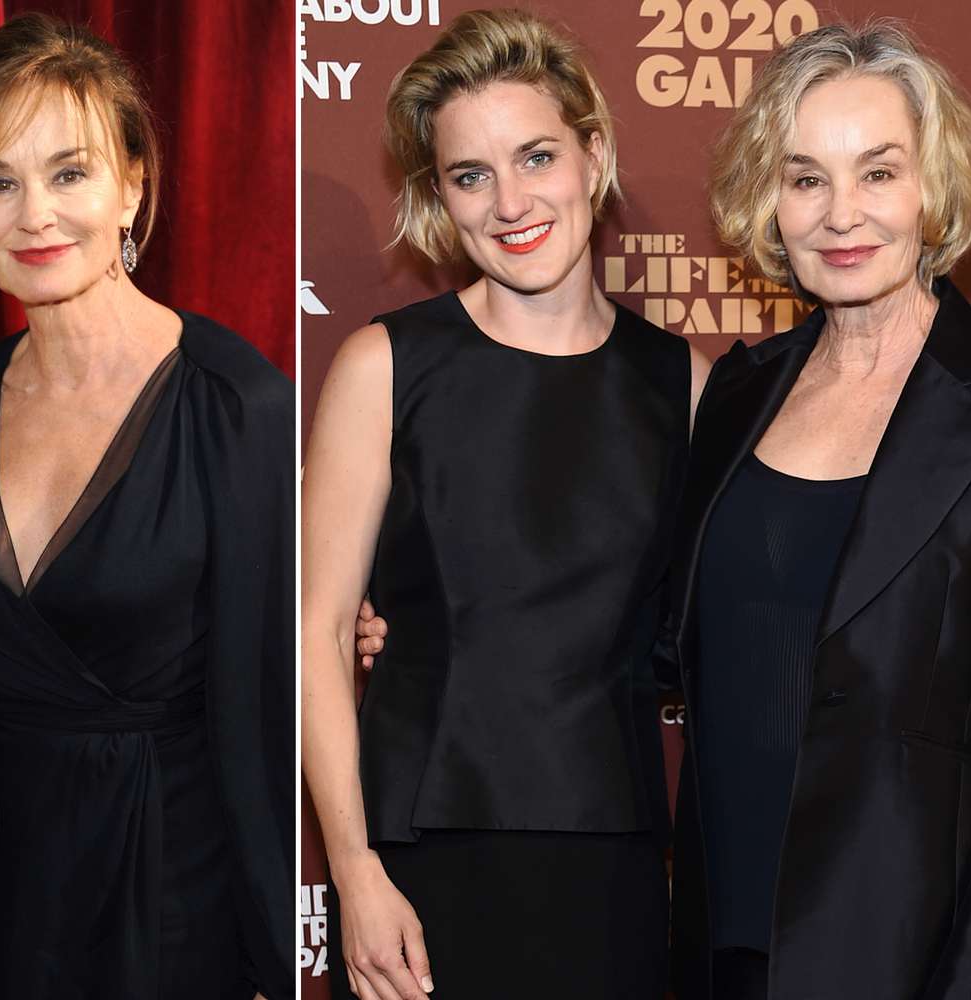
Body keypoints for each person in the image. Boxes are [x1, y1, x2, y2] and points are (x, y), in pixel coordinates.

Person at [0, 15, 292, 1000]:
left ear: (132, 185)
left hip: (161, 889)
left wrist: (271, 949)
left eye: (69, 173)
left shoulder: (235, 403)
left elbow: (261, 705)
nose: (34, 216)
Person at [301, 10, 709, 1000]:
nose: (510, 202)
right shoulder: (385, 366)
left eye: (536, 157)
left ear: (593, 156)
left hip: (610, 866)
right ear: (440, 196)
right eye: (470, 175)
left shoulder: (685, 385)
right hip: (417, 858)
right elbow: (317, 632)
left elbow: (707, 633)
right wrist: (355, 871)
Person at [661, 22, 971, 1000]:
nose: (841, 213)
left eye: (878, 172)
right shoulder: (740, 390)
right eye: (806, 178)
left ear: (933, 187)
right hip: (721, 941)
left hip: (908, 953)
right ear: (770, 199)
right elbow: (674, 641)